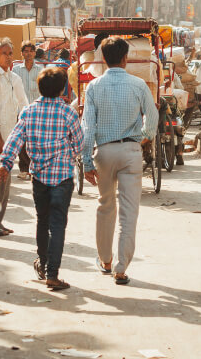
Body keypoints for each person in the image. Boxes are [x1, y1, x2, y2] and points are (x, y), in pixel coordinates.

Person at [0, 67, 84, 290]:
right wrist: (69, 154)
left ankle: (43, 265)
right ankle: (52, 274)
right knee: (58, 225)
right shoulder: (68, 112)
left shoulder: (28, 112)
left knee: (42, 221)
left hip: (39, 178)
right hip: (63, 176)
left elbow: (15, 140)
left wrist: (5, 163)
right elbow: (79, 142)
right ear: (63, 88)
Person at [82, 37, 158, 286]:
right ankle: (121, 267)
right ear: (125, 59)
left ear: (103, 59)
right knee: (129, 212)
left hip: (103, 151)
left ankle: (104, 260)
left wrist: (86, 162)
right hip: (131, 150)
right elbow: (153, 117)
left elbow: (88, 127)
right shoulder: (138, 84)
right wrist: (144, 138)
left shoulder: (93, 87)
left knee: (105, 206)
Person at [0, 38, 28, 236]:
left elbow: (24, 104)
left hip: (11, 138)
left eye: (11, 53)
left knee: (5, 182)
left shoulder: (14, 78)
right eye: (4, 53)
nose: (9, 57)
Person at [12, 40, 43, 181]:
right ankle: (24, 169)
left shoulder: (41, 70)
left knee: (35, 140)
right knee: (22, 141)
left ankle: (34, 168)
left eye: (31, 51)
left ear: (35, 53)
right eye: (26, 51)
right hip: (20, 110)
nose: (28, 54)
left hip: (37, 110)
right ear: (22, 53)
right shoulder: (16, 70)